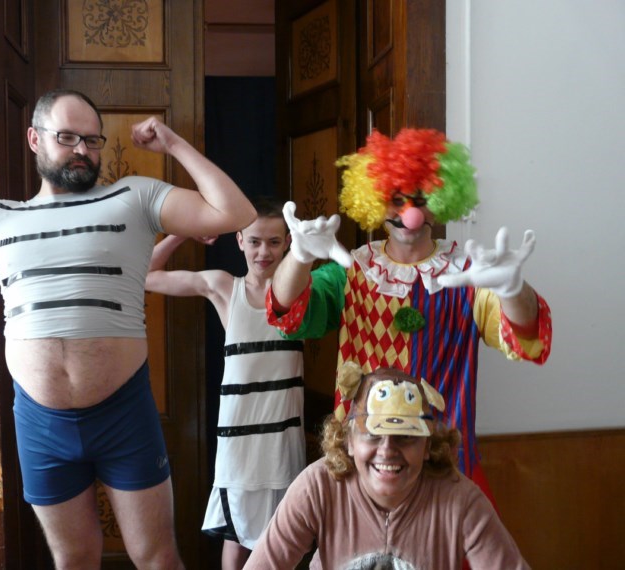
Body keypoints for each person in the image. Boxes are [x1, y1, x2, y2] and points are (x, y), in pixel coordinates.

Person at [0, 88, 256, 570]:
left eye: (92, 140)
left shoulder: (135, 197)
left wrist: (173, 144)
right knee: (73, 558)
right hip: (41, 424)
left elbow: (236, 213)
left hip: (124, 414)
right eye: (67, 137)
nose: (82, 150)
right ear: (35, 139)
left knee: (158, 558)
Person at [266, 128, 552, 502]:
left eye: (420, 200)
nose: (409, 214)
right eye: (396, 200)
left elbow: (525, 333)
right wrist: (299, 256)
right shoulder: (353, 270)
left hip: (443, 467)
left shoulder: (469, 273)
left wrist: (513, 288)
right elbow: (288, 312)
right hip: (364, 464)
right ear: (374, 201)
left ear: (441, 200)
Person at [145, 197, 305, 569]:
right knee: (236, 538)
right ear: (240, 241)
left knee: (284, 540)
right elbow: (147, 274)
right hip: (239, 441)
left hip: (283, 438)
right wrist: (183, 233)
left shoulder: (302, 290)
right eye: (255, 241)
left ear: (288, 243)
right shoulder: (224, 287)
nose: (264, 252)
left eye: (274, 242)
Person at [244, 364, 531, 569]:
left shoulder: (461, 500)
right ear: (348, 441)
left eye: (405, 436)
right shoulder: (317, 487)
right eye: (372, 434)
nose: (387, 450)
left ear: (427, 445)